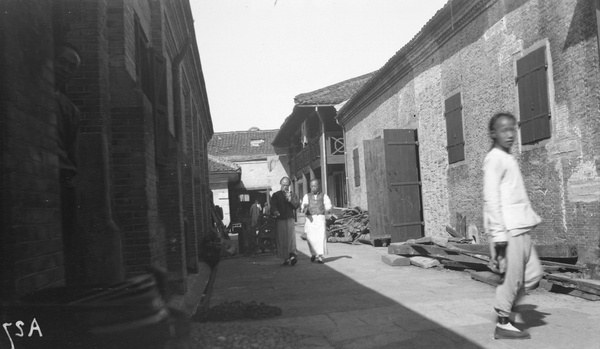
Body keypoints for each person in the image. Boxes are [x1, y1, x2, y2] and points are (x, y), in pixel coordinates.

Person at [483, 112, 543, 340]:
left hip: (521, 227)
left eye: (512, 129)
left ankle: (511, 313)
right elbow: (490, 198)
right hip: (509, 231)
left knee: (533, 274)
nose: (510, 134)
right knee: (513, 277)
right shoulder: (494, 159)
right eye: (504, 130)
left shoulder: (507, 158)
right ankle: (503, 323)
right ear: (493, 134)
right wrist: (498, 236)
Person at [53, 43, 83, 285]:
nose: (65, 69)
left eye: (71, 67)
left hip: (62, 180)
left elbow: (72, 151)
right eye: (62, 61)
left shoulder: (70, 110)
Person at [270, 177, 300, 266]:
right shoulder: (276, 195)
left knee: (290, 238)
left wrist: (290, 199)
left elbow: (296, 205)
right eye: (283, 185)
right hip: (280, 219)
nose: (285, 187)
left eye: (287, 185)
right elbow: (273, 206)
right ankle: (285, 258)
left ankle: (292, 255)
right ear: (280, 184)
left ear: (289, 185)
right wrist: (275, 211)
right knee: (282, 239)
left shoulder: (292, 194)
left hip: (290, 218)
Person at [301, 179, 332, 264]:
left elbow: (328, 206)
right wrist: (304, 207)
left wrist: (328, 209)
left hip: (320, 218)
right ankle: (313, 254)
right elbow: (303, 207)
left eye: (315, 186)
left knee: (321, 237)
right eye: (311, 186)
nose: (313, 188)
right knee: (311, 238)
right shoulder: (306, 196)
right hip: (310, 219)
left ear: (319, 186)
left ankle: (320, 256)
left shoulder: (324, 196)